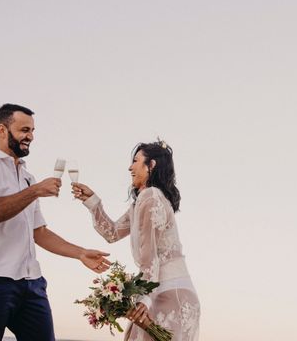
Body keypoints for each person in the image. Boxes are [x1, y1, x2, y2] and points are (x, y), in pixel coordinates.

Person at [0, 103, 112, 341]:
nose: (30, 137)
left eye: (32, 131)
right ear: (2, 130)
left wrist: (81, 253)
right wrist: (34, 192)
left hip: (32, 285)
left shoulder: (27, 176)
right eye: (24, 130)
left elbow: (40, 233)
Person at [71, 140, 200, 341]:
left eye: (135, 161)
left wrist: (144, 299)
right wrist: (92, 201)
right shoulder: (141, 202)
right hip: (161, 290)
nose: (130, 167)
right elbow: (112, 233)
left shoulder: (151, 196)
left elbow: (151, 256)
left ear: (152, 165)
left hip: (169, 293)